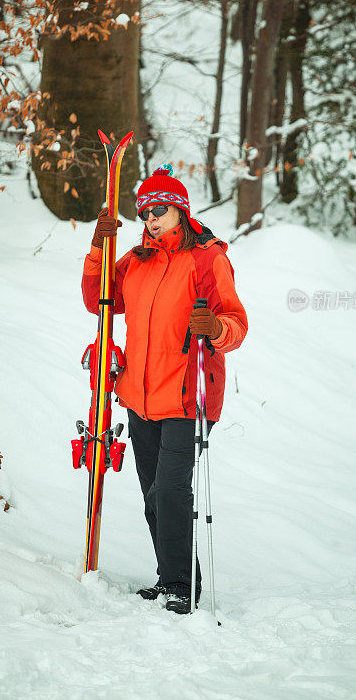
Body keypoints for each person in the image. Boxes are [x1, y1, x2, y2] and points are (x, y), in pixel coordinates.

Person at [81, 164, 248, 613]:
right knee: (152, 492)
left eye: (159, 209)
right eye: (144, 211)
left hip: (188, 394)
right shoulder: (137, 259)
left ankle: (181, 585)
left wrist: (214, 327)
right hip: (139, 395)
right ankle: (172, 577)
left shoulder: (207, 258)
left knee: (170, 490)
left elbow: (236, 323)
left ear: (180, 211)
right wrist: (99, 246)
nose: (151, 218)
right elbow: (98, 297)